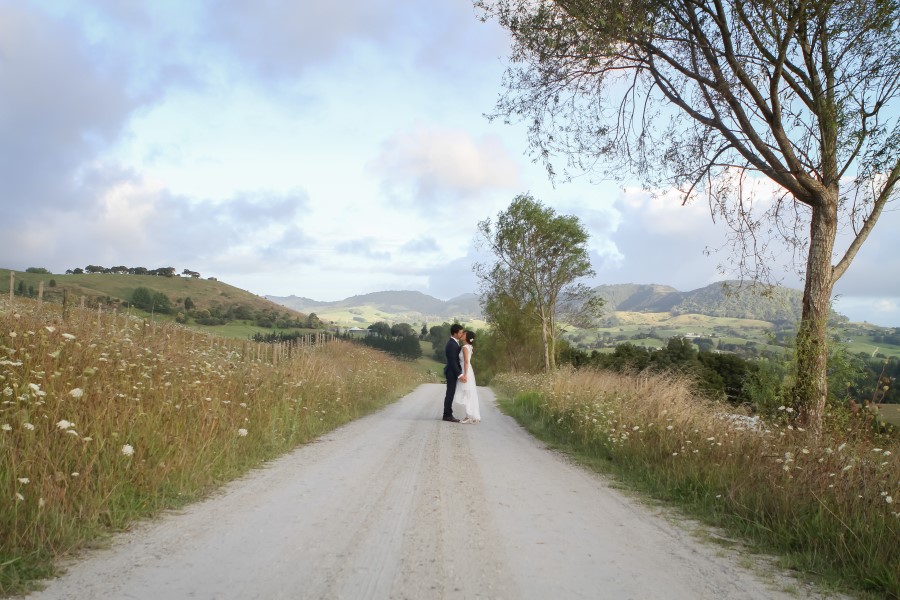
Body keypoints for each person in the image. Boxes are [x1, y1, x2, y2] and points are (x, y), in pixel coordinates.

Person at [455, 330, 480, 424]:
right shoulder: (469, 346)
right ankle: (470, 415)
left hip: (466, 370)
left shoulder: (465, 347)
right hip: (467, 369)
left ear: (467, 337)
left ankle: (469, 415)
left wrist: (465, 375)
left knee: (467, 393)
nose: (462, 335)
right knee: (468, 393)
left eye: (464, 334)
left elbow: (466, 361)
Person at [442, 324, 465, 422]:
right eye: (460, 332)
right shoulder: (452, 344)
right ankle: (447, 415)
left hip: (452, 371)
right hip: (451, 372)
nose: (461, 334)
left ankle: (447, 414)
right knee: (450, 393)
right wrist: (460, 374)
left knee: (450, 393)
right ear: (455, 333)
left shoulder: (454, 343)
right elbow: (452, 361)